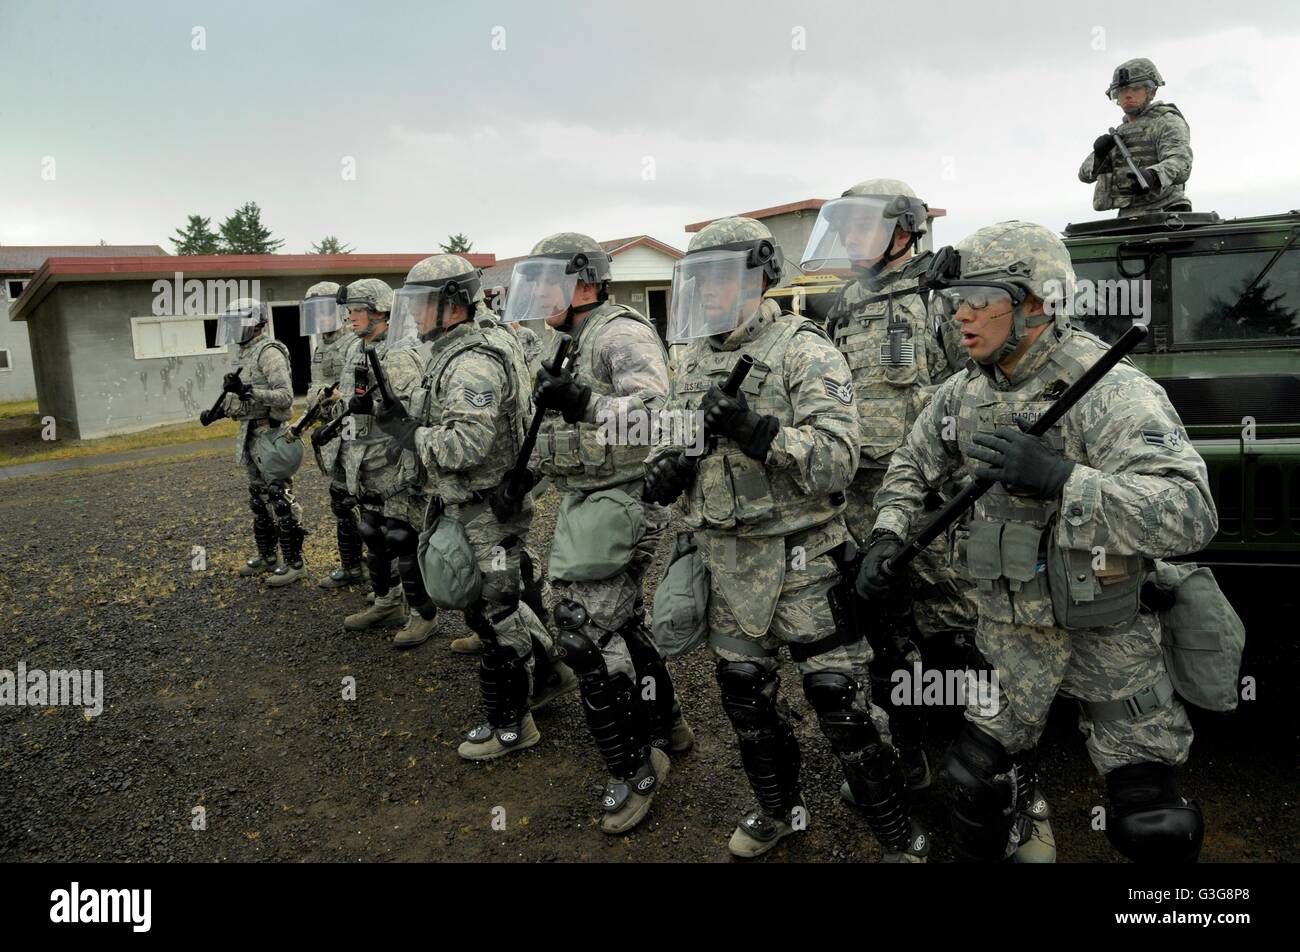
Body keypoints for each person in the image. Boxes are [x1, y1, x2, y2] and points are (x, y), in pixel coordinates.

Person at [860, 221, 1216, 862]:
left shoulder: (1111, 392)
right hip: (1009, 639)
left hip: (1106, 639)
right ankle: (1023, 824)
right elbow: (909, 467)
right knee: (971, 785)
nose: (960, 316)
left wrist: (1064, 481)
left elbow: (1191, 515)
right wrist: (887, 536)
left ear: (1034, 304)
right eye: (955, 299)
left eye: (978, 299)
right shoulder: (963, 394)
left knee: (1153, 821)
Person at [645, 217, 929, 861]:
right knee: (745, 696)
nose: (709, 293)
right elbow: (676, 439)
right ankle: (779, 810)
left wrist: (760, 432)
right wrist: (666, 472)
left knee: (841, 704)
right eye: (701, 280)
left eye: (722, 278)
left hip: (802, 560)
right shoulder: (690, 360)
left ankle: (898, 837)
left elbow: (838, 458)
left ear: (761, 276)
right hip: (725, 557)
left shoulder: (805, 349)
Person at [508, 231, 692, 834]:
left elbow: (661, 418)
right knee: (620, 623)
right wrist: (523, 479)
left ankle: (634, 770)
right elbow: (553, 430)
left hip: (627, 498)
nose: (536, 293)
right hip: (586, 500)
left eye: (546, 279)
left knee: (584, 636)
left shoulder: (620, 333)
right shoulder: (565, 341)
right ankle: (665, 724)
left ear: (583, 277)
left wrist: (587, 402)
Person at [375, 254, 572, 757]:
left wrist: (408, 433)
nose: (415, 315)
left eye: (424, 304)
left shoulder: (471, 361)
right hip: (482, 506)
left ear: (455, 305)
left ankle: (512, 725)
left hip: (484, 509)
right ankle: (551, 673)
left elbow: (465, 447)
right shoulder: (467, 345)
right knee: (503, 604)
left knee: (492, 616)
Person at [218, 297, 305, 587]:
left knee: (279, 498)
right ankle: (267, 556)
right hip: (250, 434)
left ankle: (295, 564)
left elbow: (285, 397)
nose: (232, 329)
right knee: (258, 500)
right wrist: (219, 409)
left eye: (237, 322)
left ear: (255, 323)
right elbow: (239, 398)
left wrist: (248, 390)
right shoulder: (244, 353)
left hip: (271, 433)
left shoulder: (269, 352)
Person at [300, 282, 366, 589]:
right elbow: (314, 391)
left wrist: (337, 396)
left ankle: (386, 582)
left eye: (324, 311)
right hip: (334, 434)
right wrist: (320, 398)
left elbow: (358, 393)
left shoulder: (355, 342)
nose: (320, 318)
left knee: (369, 504)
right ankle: (352, 567)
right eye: (314, 312)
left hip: (358, 434)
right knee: (340, 501)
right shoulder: (319, 348)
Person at [1079, 58, 1193, 215]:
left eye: (1135, 88)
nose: (1128, 95)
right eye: (1122, 91)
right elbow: (1084, 176)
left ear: (1151, 91)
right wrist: (1099, 155)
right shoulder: (1120, 133)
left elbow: (1181, 163)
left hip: (1166, 211)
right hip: (1130, 215)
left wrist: (1153, 175)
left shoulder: (1166, 121)